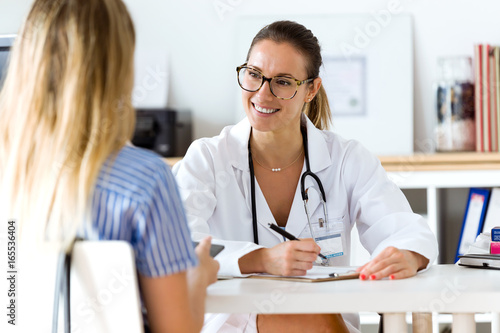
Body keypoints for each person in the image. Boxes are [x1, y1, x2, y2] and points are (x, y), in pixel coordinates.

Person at [172, 20, 438, 333]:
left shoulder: (345, 159)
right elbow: (178, 245)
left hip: (323, 319)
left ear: (310, 89)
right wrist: (260, 260)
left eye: (283, 82)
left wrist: (406, 255)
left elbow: (404, 230)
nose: (262, 93)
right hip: (232, 322)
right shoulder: (207, 158)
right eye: (254, 75)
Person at [0, 0, 218, 332]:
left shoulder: (10, 175)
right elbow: (177, 329)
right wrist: (198, 277)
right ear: (118, 66)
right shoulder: (146, 180)